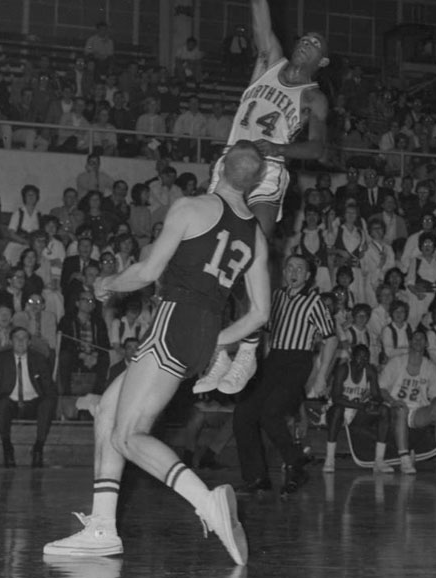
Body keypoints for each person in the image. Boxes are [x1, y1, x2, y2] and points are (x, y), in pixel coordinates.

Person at [44, 142, 270, 565]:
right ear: (255, 183)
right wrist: (216, 341)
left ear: (219, 167)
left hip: (174, 320)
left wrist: (108, 283)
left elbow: (148, 273)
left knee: (128, 435)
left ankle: (206, 503)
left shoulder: (191, 207)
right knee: (109, 413)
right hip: (203, 330)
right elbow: (259, 313)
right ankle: (102, 527)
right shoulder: (255, 234)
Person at [200, 0, 330, 395]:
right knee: (218, 262)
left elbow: (318, 148)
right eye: (304, 38)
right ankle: (222, 348)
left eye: (315, 43)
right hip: (231, 166)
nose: (305, 43)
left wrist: (276, 144)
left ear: (322, 60)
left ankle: (249, 348)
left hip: (270, 171)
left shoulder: (314, 96)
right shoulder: (269, 61)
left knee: (252, 252)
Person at [231, 254, 336, 496]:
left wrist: (321, 377)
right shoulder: (276, 297)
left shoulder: (313, 302)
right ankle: (257, 477)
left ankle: (297, 464)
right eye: (290, 267)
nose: (294, 272)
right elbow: (265, 331)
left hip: (297, 363)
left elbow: (332, 338)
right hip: (273, 360)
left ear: (308, 276)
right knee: (243, 414)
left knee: (271, 413)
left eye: (300, 268)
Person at [379, 329, 436, 475]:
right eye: (415, 338)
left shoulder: (430, 366)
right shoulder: (396, 362)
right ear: (410, 342)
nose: (418, 341)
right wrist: (392, 401)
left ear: (426, 344)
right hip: (394, 407)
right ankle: (404, 460)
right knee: (402, 409)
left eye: (421, 339)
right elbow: (381, 388)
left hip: (416, 411)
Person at [0, 326, 58, 467]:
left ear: (29, 342)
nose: (21, 341)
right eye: (17, 338)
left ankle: (38, 448)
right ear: (11, 341)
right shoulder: (2, 358)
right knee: (2, 403)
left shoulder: (39, 358)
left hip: (33, 404)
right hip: (11, 403)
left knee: (47, 402)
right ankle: (7, 448)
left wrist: (52, 405)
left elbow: (49, 387)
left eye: (25, 338)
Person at [322, 343, 389, 473]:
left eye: (366, 358)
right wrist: (361, 405)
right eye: (359, 357)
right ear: (352, 357)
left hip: (356, 412)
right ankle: (330, 459)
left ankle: (379, 460)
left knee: (384, 410)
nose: (362, 361)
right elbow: (336, 398)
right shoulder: (343, 369)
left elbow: (377, 395)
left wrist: (373, 403)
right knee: (338, 409)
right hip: (337, 411)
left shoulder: (369, 370)